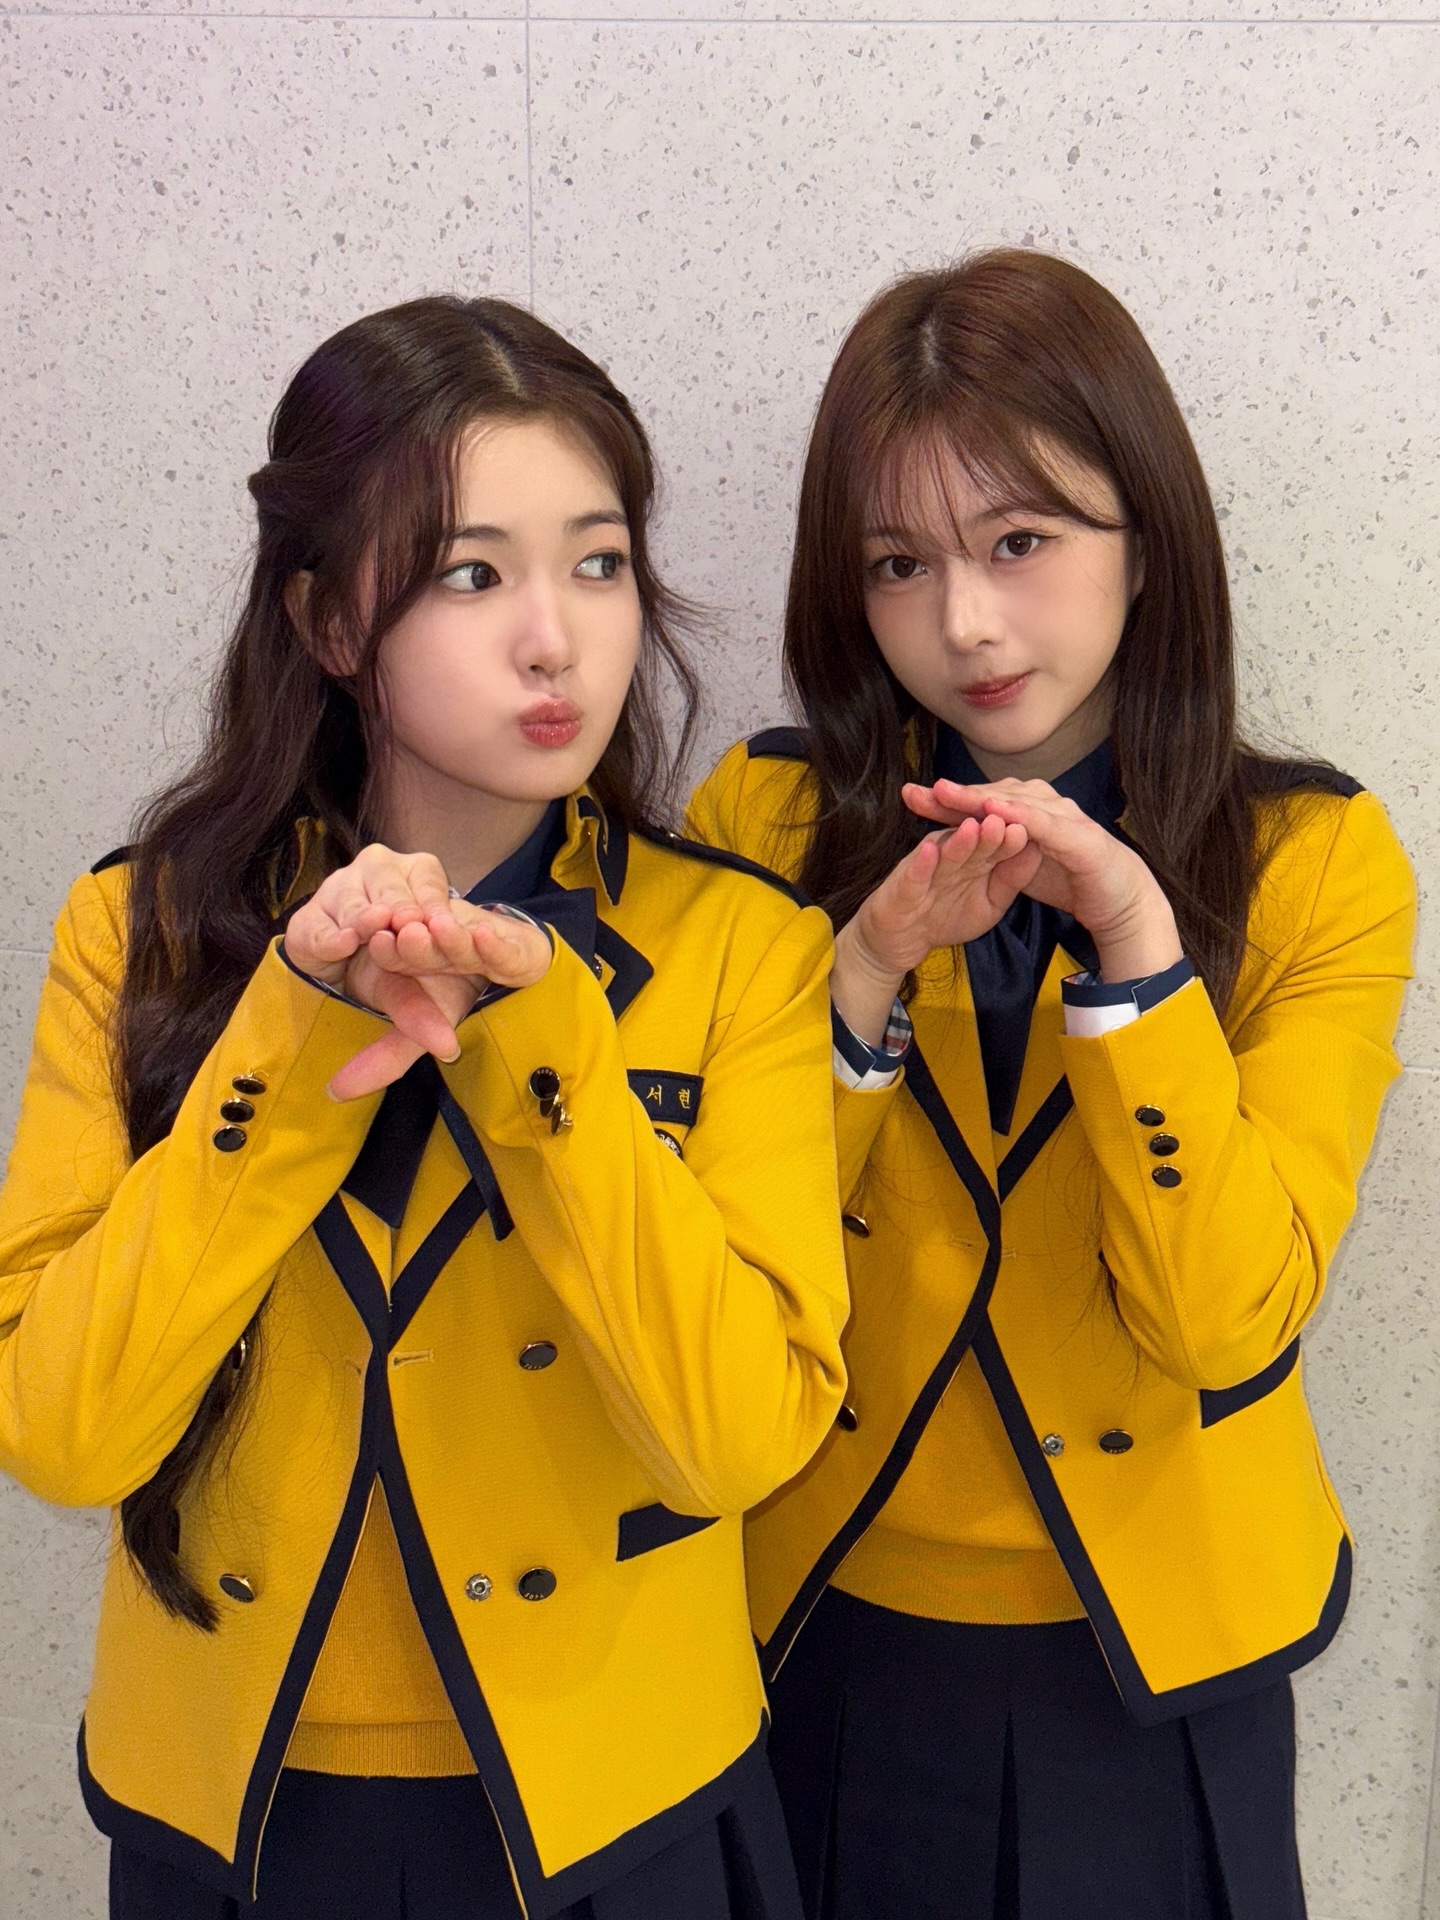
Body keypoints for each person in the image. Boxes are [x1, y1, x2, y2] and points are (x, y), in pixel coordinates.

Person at [0, 296, 850, 1920]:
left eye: (598, 563)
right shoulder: (142, 929)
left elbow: (738, 1439)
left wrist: (551, 1044)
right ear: (329, 619)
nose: (557, 639)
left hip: (616, 1800)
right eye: (473, 575)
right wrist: (290, 1030)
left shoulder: (740, 943)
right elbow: (60, 1430)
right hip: (229, 1807)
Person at [686, 249, 1416, 1920]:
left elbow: (1229, 1318)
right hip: (815, 1619)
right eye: (899, 563)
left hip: (1157, 1655)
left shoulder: (1312, 856)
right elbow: (717, 1254)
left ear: (1144, 537)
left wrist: (1143, 968)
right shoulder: (768, 825)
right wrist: (862, 977)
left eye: (1021, 540)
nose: (964, 623)